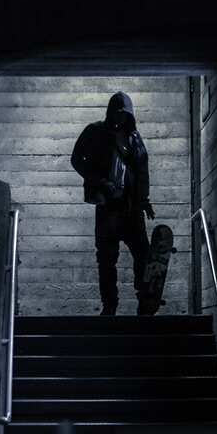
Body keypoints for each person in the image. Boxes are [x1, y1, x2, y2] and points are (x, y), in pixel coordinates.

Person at [70, 92, 156, 315]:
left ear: (129, 116)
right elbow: (77, 159)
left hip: (131, 206)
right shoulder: (95, 132)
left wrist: (143, 200)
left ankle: (144, 299)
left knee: (143, 254)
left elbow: (142, 170)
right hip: (108, 206)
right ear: (110, 113)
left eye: (124, 115)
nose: (120, 119)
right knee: (106, 258)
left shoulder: (134, 137)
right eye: (117, 114)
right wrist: (100, 182)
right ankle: (110, 305)